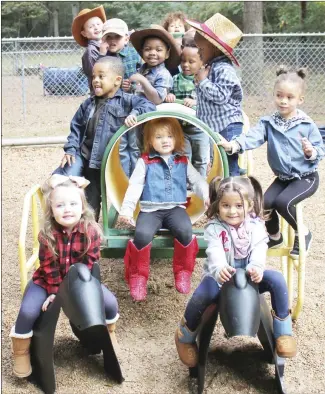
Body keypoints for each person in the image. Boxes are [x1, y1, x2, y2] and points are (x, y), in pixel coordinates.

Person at [175, 176, 297, 368]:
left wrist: (256, 266)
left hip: (250, 275)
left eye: (239, 206)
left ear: (249, 206)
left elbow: (260, 246)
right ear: (218, 205)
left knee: (277, 280)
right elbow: (214, 250)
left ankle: (283, 332)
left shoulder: (255, 225)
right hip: (221, 275)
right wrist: (220, 268)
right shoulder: (215, 227)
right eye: (226, 205)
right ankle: (185, 335)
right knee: (204, 293)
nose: (232, 211)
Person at [9, 175, 120, 378]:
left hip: (80, 283)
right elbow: (48, 266)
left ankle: (108, 336)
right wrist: (54, 292)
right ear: (51, 210)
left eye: (72, 204)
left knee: (111, 304)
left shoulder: (91, 231)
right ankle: (21, 351)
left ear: (82, 207)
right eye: (60, 205)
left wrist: (76, 291)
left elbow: (89, 264)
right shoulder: (47, 233)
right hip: (47, 282)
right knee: (27, 312)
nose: (67, 209)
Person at [218, 66, 325, 257]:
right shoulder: (269, 123)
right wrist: (234, 145)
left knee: (283, 202)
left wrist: (311, 151)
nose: (283, 101)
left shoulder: (306, 124)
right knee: (263, 203)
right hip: (283, 177)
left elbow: (320, 149)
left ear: (300, 100)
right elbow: (252, 137)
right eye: (279, 95)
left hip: (306, 177)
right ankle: (275, 236)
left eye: (289, 97)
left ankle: (304, 233)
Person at [53, 56, 156, 221]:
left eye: (101, 76)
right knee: (89, 197)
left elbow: (149, 106)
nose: (96, 80)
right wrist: (71, 148)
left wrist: (134, 114)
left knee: (122, 193)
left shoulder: (127, 101)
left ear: (117, 81)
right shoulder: (89, 103)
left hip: (111, 163)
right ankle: (86, 228)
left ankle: (132, 218)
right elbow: (76, 127)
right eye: (93, 77)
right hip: (88, 159)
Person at [119, 117, 209, 302]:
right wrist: (127, 210)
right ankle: (138, 277)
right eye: (159, 137)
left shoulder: (183, 161)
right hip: (151, 210)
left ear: (177, 138)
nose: (165, 140)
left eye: (169, 136)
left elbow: (197, 180)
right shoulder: (145, 162)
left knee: (185, 231)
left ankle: (183, 272)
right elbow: (135, 185)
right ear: (150, 141)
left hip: (174, 208)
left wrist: (207, 196)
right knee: (142, 235)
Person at [185, 13, 244, 176]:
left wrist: (203, 81)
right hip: (215, 126)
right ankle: (223, 194)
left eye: (201, 49)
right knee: (218, 163)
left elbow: (220, 96)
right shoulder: (210, 66)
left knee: (229, 163)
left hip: (228, 126)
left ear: (214, 47)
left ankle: (234, 190)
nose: (198, 52)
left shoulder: (224, 69)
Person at [100, 18, 143, 178]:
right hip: (114, 107)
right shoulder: (104, 57)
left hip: (133, 107)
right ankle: (125, 179)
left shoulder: (134, 54)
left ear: (126, 38)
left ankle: (137, 179)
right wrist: (101, 56)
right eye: (108, 37)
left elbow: (143, 78)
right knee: (121, 145)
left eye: (116, 37)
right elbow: (97, 79)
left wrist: (132, 86)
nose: (112, 41)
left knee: (135, 144)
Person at [165, 33, 210, 177]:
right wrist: (169, 95)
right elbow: (168, 94)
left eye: (191, 61)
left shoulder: (203, 80)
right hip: (180, 129)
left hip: (199, 128)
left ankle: (201, 187)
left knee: (201, 159)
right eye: (183, 61)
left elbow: (210, 101)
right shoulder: (175, 79)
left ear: (201, 63)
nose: (185, 65)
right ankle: (185, 187)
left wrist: (196, 102)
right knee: (184, 158)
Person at [129, 25, 181, 105]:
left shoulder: (164, 75)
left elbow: (157, 100)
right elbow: (137, 91)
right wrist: (129, 87)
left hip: (151, 113)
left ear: (167, 54)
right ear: (142, 52)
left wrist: (143, 80)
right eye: (147, 49)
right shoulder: (142, 69)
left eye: (158, 50)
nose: (152, 53)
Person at [71, 6, 106, 94]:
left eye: (98, 24)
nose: (96, 28)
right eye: (91, 26)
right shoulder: (90, 52)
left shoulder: (109, 45)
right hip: (100, 94)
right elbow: (96, 74)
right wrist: (102, 54)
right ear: (84, 33)